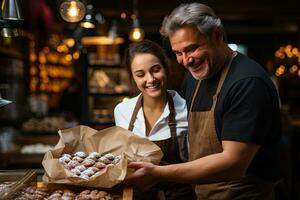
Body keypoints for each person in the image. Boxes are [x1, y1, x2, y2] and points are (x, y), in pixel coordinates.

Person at [125, 3, 282, 200]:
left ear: (217, 35)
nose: (185, 60)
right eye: (178, 53)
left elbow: (233, 164)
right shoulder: (193, 79)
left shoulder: (247, 82)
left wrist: (157, 173)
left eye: (192, 49)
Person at [114, 40, 196, 200]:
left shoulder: (187, 109)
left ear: (165, 67)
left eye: (156, 69)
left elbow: (196, 164)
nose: (150, 79)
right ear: (132, 77)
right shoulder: (122, 111)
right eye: (140, 74)